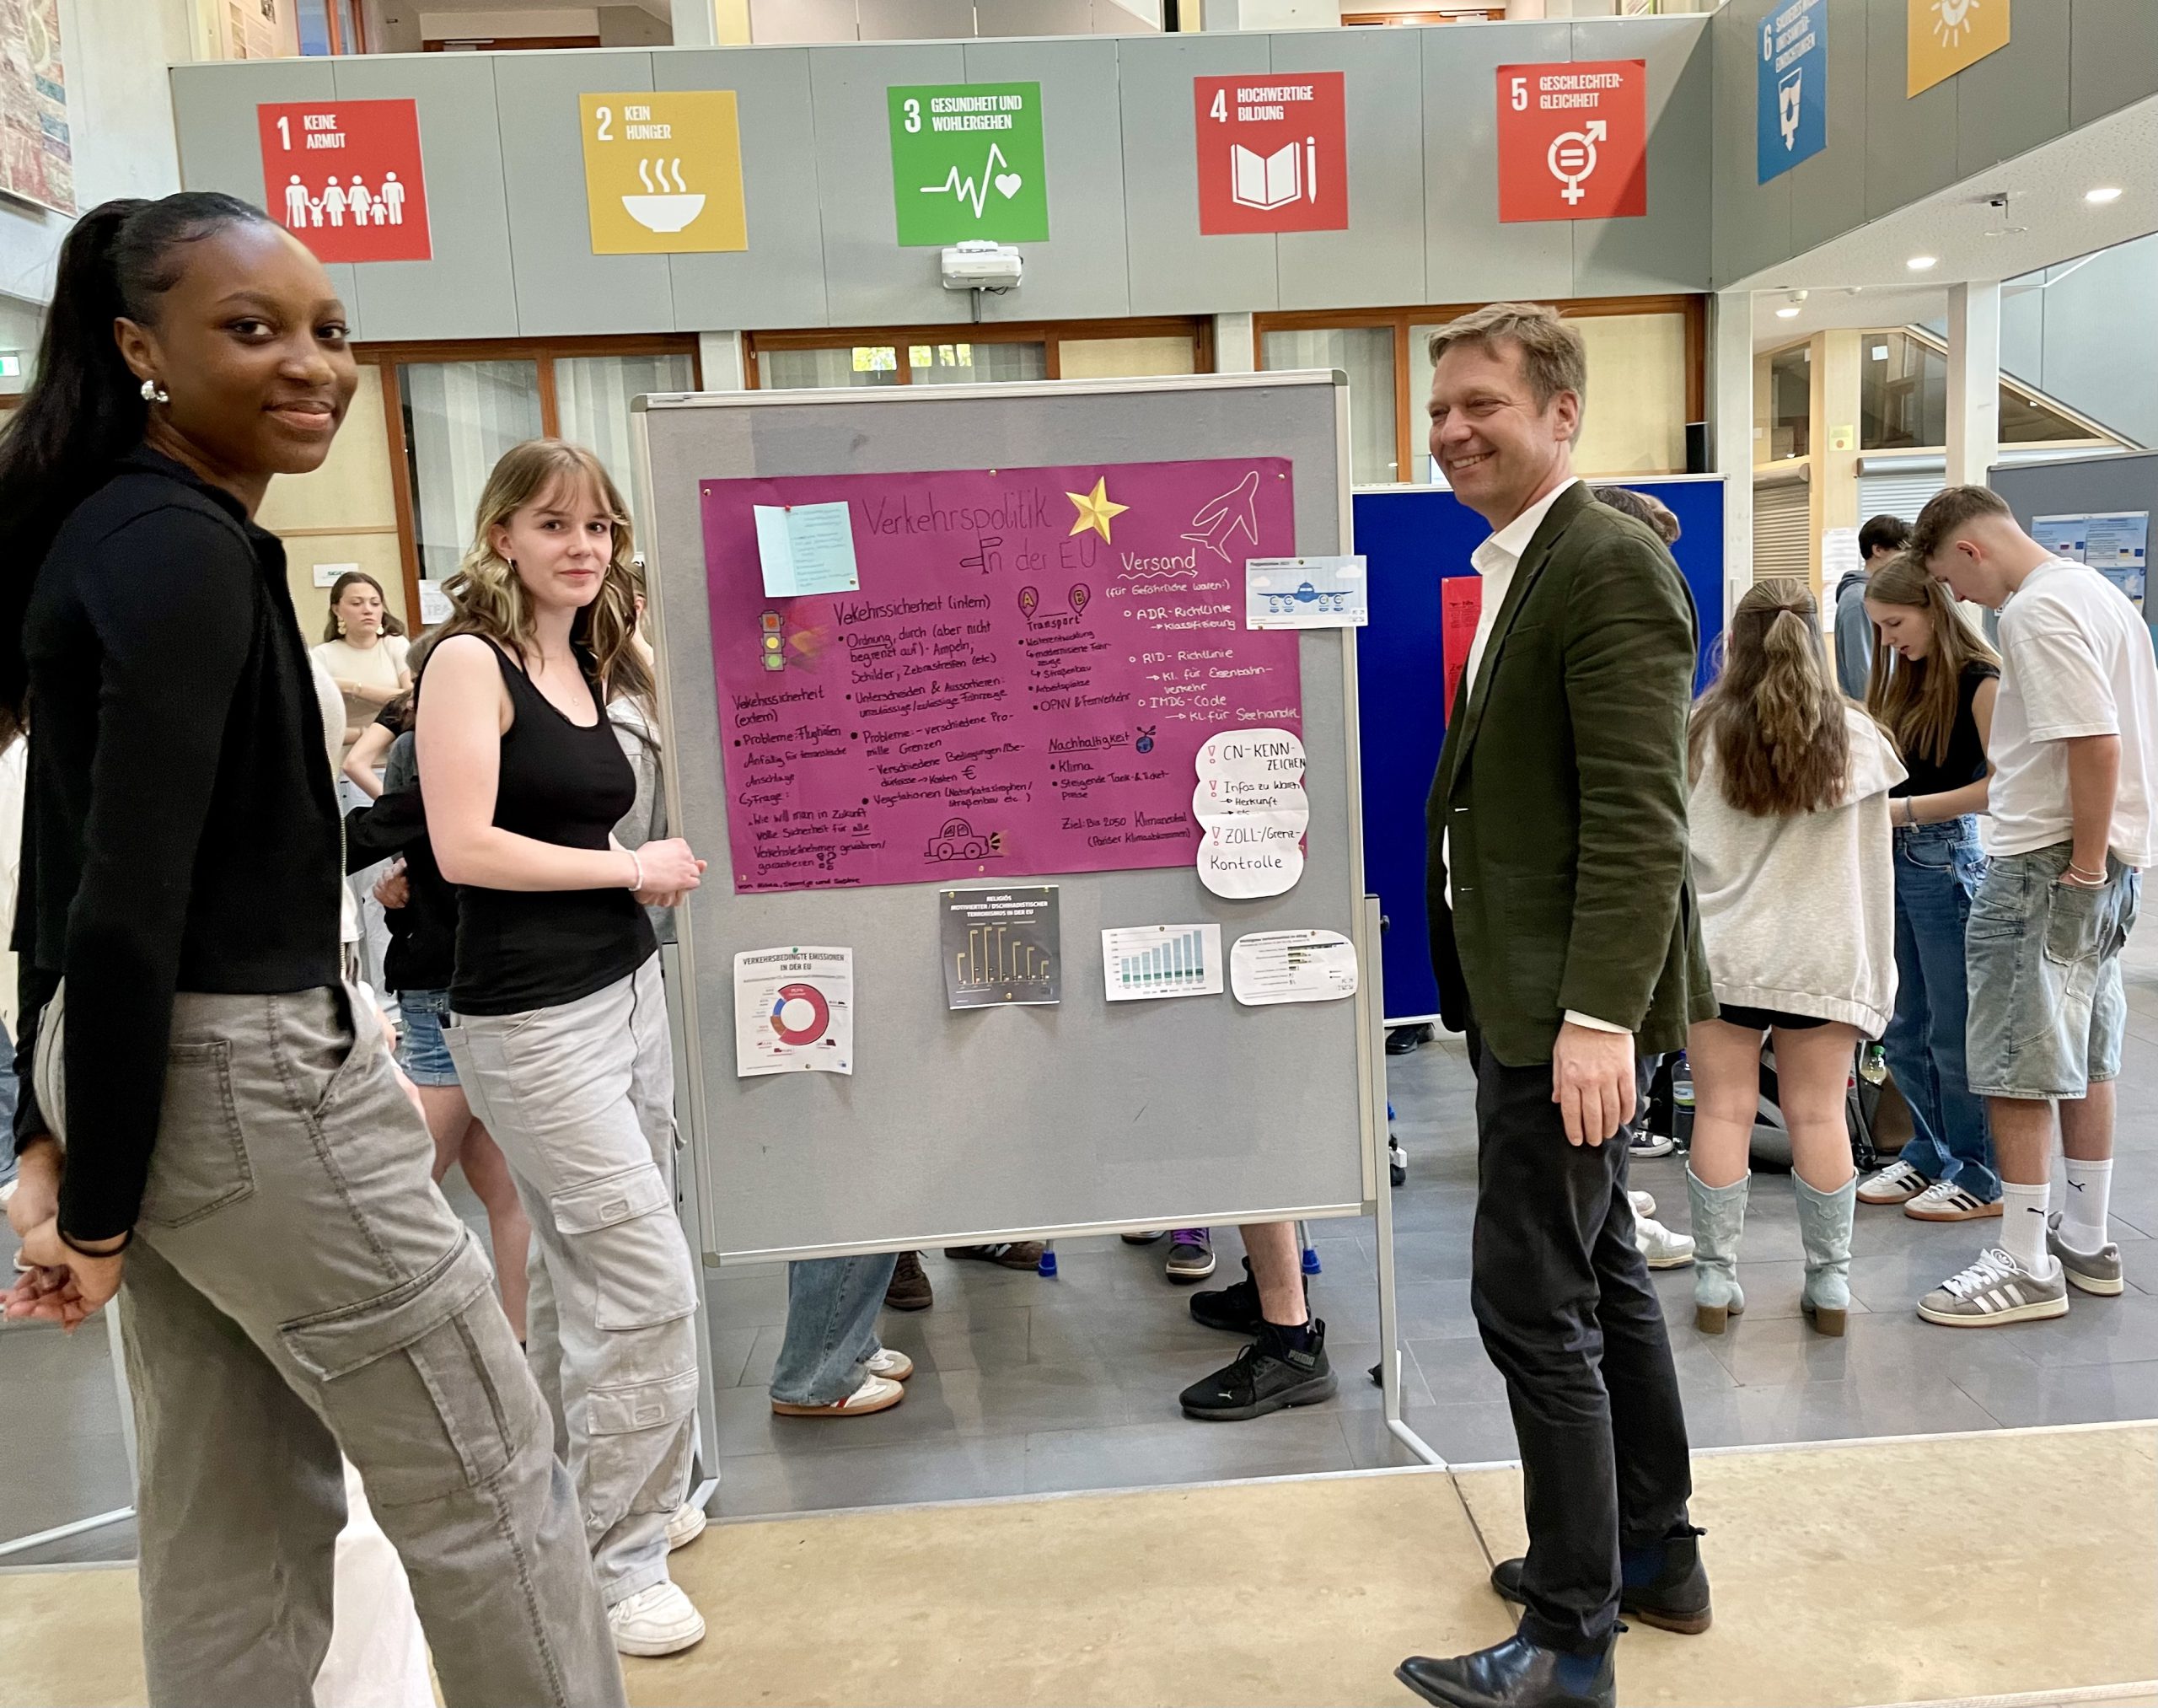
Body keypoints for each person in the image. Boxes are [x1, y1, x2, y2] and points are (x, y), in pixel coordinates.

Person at [0, 193, 621, 1706]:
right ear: (140, 347)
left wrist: (57, 1138)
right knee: (490, 1477)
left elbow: (65, 878)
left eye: (331, 331)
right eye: (253, 328)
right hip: (242, 1070)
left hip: (143, 1064)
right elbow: (118, 896)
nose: (314, 365)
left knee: (230, 1507)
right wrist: (90, 1207)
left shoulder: (122, 530)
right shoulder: (180, 549)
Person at [1398, 303, 1710, 1708]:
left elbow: (1642, 818)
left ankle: (1572, 1636)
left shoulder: (1603, 564)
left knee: (1532, 1299)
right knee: (1605, 1271)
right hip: (1527, 993)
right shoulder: (1529, 560)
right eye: (1440, 409)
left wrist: (1597, 1018)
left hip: (1562, 1008)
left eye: (1484, 404)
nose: (1454, 429)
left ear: (1563, 413)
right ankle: (1653, 1552)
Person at [417, 438, 711, 1656]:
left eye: (597, 526)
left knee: (582, 1270)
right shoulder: (467, 662)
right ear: (501, 536)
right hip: (531, 1022)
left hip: (627, 992)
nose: (581, 545)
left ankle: (583, 1499)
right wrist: (629, 868)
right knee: (645, 1282)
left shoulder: (587, 657)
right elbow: (464, 846)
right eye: (553, 524)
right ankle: (615, 1556)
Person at [1910, 486, 2155, 1324]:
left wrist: (2080, 865)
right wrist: (2096, 864)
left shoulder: (2036, 610)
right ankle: (2084, 1237)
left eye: (1951, 579)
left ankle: (2024, 1260)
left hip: (2049, 862)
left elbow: (2094, 743)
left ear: (1970, 550)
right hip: (2103, 860)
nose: (1958, 597)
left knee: (2014, 1062)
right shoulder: (2098, 594)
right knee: (2085, 1054)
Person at [1683, 579, 1903, 1340]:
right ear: (1818, 641)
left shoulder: (1701, 732)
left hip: (1722, 956)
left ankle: (1715, 1278)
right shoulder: (1861, 738)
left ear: (1735, 644)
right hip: (1824, 956)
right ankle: (1830, 1283)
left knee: (1722, 1109)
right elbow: (1873, 867)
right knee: (1818, 1113)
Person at [345, 653, 534, 1342]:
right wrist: (399, 889)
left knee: (410, 1185)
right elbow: (405, 854)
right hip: (469, 980)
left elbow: (371, 843)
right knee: (492, 1183)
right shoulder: (498, 759)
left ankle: (425, 1337)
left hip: (448, 986)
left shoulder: (448, 767)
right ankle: (510, 1338)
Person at [1855, 554, 2004, 1222]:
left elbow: (1999, 787)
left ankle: (1978, 1171)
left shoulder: (1981, 680)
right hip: (1892, 856)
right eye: (1880, 629)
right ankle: (1926, 1151)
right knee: (1904, 1026)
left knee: (1955, 1030)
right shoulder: (1905, 682)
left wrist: (1904, 812)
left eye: (1895, 624)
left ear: (1933, 609)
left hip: (1943, 860)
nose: (1888, 641)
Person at [314, 568, 411, 754]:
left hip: (393, 759)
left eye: (375, 603)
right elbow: (317, 724)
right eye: (356, 603)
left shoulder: (395, 645)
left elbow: (409, 700)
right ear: (336, 609)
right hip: (342, 760)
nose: (368, 610)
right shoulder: (321, 656)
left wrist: (351, 688)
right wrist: (367, 735)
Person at [1835, 514, 1911, 700]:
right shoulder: (1858, 600)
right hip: (1874, 712)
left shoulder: (1878, 594)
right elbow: (1863, 675)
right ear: (1878, 550)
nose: (1905, 563)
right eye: (1900, 554)